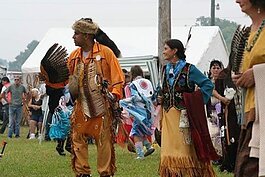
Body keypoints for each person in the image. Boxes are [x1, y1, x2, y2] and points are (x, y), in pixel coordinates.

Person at [67, 18, 124, 177]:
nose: (73, 37)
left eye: (76, 34)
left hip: (102, 105)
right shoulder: (73, 56)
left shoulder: (105, 53)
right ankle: (82, 172)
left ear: (86, 35)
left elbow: (118, 78)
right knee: (77, 139)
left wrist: (115, 94)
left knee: (103, 141)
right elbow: (67, 79)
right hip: (81, 106)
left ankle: (105, 173)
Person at [158, 39, 217, 177]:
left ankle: (188, 173)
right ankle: (172, 173)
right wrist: (160, 97)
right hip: (168, 115)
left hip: (183, 115)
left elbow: (207, 85)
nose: (164, 51)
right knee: (169, 148)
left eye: (166, 48)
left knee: (184, 148)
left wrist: (194, 101)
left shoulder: (189, 69)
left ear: (175, 51)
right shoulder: (164, 69)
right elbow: (163, 89)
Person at [233, 0, 265, 176]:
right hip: (251, 110)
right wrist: (240, 76)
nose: (236, 0)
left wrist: (258, 73)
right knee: (244, 169)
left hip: (263, 111)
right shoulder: (248, 31)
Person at [119, 65, 155, 159]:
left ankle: (140, 154)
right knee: (140, 130)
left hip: (139, 111)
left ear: (132, 74)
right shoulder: (147, 82)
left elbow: (135, 98)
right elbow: (153, 97)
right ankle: (149, 147)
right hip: (149, 110)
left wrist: (123, 102)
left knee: (135, 132)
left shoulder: (133, 85)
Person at [214, 62, 241, 172]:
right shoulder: (224, 74)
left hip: (245, 108)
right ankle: (230, 163)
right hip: (230, 111)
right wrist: (223, 99)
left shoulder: (245, 71)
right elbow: (214, 90)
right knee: (231, 136)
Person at [206, 60, 225, 164]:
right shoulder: (207, 82)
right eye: (214, 68)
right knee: (214, 133)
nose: (216, 70)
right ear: (210, 70)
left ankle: (223, 155)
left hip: (223, 110)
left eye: (218, 68)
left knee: (223, 133)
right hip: (211, 111)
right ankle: (216, 156)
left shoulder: (224, 81)